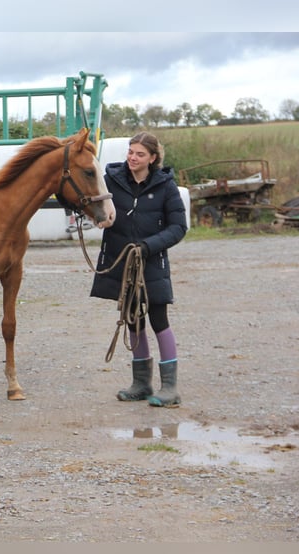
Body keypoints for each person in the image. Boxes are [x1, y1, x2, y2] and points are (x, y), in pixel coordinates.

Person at [90, 132, 188, 407]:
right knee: (133, 319)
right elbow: (91, 202)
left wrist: (148, 246)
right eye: (131, 152)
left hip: (151, 263)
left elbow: (178, 227)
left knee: (159, 319)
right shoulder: (112, 180)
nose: (133, 157)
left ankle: (170, 387)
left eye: (140, 154)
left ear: (153, 158)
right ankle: (141, 383)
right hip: (122, 263)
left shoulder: (166, 186)